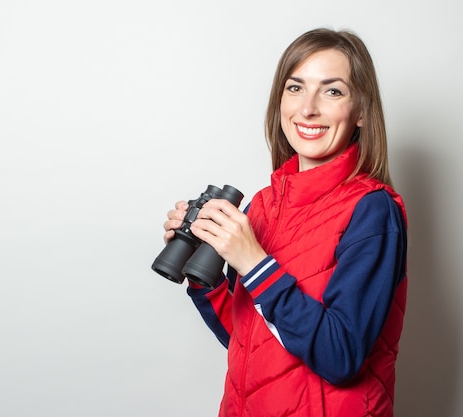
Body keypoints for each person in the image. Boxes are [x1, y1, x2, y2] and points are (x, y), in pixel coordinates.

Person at [162, 28, 408, 417]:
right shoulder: (263, 204)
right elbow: (250, 341)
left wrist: (255, 264)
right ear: (280, 101)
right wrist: (201, 269)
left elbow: (340, 356)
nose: (307, 108)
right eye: (295, 88)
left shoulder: (373, 210)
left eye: (332, 91)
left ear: (360, 110)